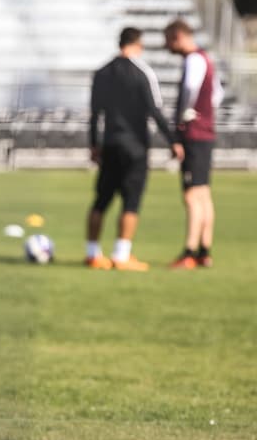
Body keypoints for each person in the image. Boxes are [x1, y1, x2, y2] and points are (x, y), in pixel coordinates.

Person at [85, 27, 182, 271]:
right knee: (131, 201)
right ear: (138, 44)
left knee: (101, 200)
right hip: (135, 147)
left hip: (109, 144)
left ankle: (93, 253)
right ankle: (121, 254)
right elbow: (155, 111)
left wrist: (93, 144)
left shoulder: (102, 72)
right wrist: (173, 141)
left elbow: (95, 114)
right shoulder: (142, 72)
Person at [164, 18, 224, 269]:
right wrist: (206, 113)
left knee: (191, 195)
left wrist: (186, 114)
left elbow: (190, 88)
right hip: (206, 133)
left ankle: (189, 251)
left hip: (194, 135)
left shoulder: (193, 59)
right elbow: (217, 94)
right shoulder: (206, 58)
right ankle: (204, 251)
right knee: (203, 194)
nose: (168, 47)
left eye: (169, 41)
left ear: (178, 37)